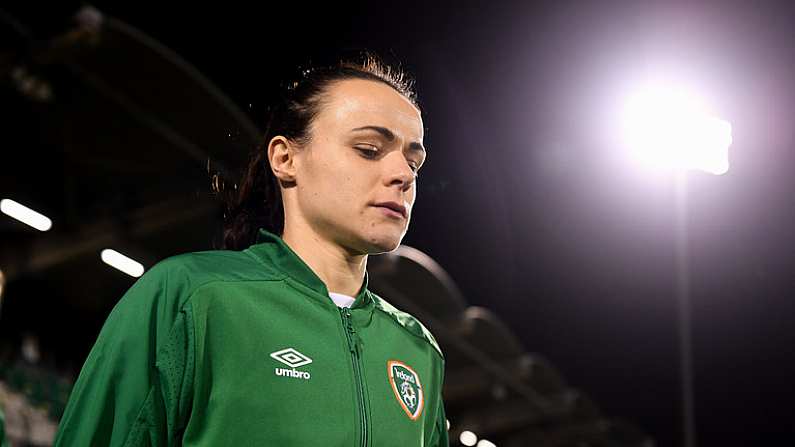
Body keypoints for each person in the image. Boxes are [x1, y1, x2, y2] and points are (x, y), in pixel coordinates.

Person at [54, 54, 449, 446]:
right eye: (368, 149)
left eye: (413, 163)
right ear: (285, 158)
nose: (402, 175)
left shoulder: (417, 351)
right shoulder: (192, 295)